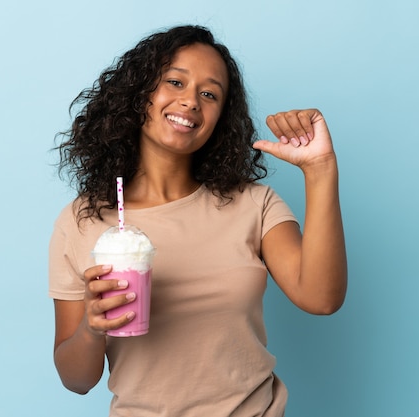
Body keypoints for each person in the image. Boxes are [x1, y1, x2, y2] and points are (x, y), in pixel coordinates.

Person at [49, 25, 347, 416]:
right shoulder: (82, 220)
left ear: (220, 118)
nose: (190, 101)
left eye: (209, 94)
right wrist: (92, 328)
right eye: (175, 82)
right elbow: (76, 381)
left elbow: (321, 298)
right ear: (138, 95)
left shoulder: (253, 204)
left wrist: (321, 170)